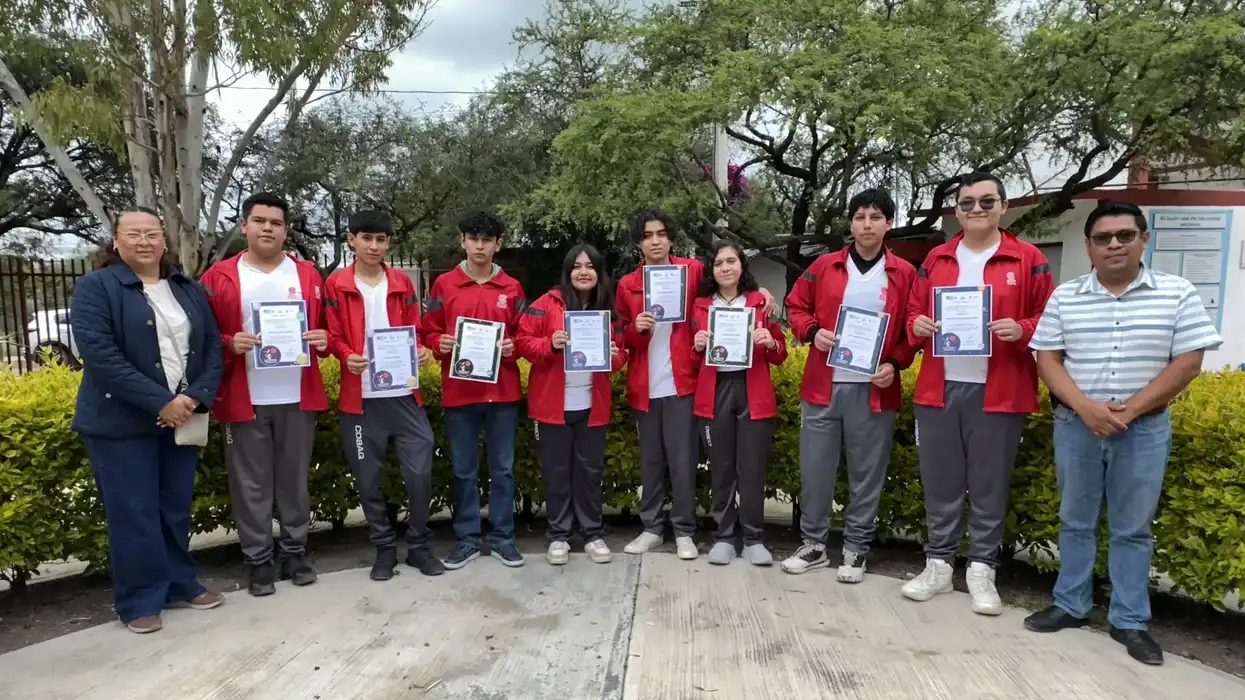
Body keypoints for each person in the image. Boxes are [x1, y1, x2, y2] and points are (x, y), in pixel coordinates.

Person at [1023, 201, 1221, 665]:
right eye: (1103, 237)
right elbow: (1047, 359)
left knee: (1133, 528)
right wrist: (1087, 408)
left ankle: (1129, 620)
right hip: (1077, 426)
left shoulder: (1177, 293)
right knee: (1075, 520)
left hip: (1144, 430)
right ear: (1089, 246)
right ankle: (1070, 605)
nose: (1114, 244)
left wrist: (1128, 412)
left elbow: (1188, 362)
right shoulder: (1066, 296)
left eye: (1125, 235)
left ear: (1143, 239)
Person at [903, 171, 1055, 614]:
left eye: (986, 202)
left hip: (999, 389)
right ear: (956, 210)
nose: (976, 210)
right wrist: (917, 323)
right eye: (967, 203)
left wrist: (1022, 328)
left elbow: (1050, 317)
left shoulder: (1027, 259)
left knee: (989, 485)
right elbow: (914, 309)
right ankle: (938, 565)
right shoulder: (936, 258)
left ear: (1003, 207)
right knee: (941, 482)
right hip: (939, 387)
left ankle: (982, 570)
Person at [69, 207, 224, 633]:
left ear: (164, 241)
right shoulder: (96, 288)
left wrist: (194, 397)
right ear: (115, 243)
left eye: (152, 233)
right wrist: (161, 401)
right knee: (133, 513)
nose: (144, 241)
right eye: (133, 234)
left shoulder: (186, 288)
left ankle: (180, 582)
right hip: (121, 424)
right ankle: (139, 600)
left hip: (183, 417)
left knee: (173, 508)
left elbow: (211, 348)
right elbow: (101, 357)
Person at [615, 210, 777, 559]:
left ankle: (684, 529)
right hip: (645, 384)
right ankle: (652, 528)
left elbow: (728, 282)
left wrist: (761, 291)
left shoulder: (692, 271)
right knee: (651, 462)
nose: (655, 240)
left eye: (661, 233)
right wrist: (635, 328)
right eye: (647, 235)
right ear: (639, 242)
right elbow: (621, 334)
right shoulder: (628, 284)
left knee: (684, 461)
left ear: (671, 237)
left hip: (684, 382)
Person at [780, 188, 918, 582]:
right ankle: (814, 544)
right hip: (824, 385)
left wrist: (895, 362)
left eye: (875, 217)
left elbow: (914, 328)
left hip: (874, 389)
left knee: (867, 473)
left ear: (888, 223)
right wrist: (812, 332)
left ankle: (856, 548)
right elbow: (795, 305)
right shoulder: (824, 266)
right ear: (850, 224)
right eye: (859, 217)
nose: (867, 224)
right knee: (816, 470)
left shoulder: (904, 273)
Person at [201, 192, 330, 596]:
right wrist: (228, 341)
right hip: (245, 396)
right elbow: (202, 336)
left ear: (286, 230)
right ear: (244, 226)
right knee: (250, 484)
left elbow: (326, 330)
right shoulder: (219, 276)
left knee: (294, 480)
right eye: (260, 221)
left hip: (297, 394)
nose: (268, 228)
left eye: (276, 222)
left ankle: (296, 551)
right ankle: (258, 559)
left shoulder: (308, 275)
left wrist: (323, 338)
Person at [324, 211, 444, 581]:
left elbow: (418, 330)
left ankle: (419, 546)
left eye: (381, 239)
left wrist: (422, 349)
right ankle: (384, 549)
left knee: (420, 471)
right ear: (352, 240)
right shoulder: (337, 284)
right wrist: (346, 356)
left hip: (404, 395)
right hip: (359, 399)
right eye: (367, 238)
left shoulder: (402, 283)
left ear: (389, 242)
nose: (374, 246)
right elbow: (330, 335)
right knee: (367, 477)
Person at [422, 209, 527, 569]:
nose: (479, 246)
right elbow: (427, 331)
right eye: (473, 239)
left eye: (487, 240)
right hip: (460, 392)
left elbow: (523, 333)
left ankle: (503, 538)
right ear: (462, 241)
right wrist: (441, 343)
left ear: (498, 245)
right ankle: (466, 538)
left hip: (503, 393)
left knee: (503, 470)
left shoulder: (512, 288)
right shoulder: (444, 286)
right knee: (464, 470)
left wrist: (513, 346)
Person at [516, 244, 628, 566]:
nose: (583, 271)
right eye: (577, 266)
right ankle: (559, 535)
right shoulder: (544, 304)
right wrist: (549, 345)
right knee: (557, 472)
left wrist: (611, 354)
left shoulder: (609, 309)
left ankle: (593, 533)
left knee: (590, 472)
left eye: (590, 266)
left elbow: (622, 355)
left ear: (598, 272)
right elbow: (524, 342)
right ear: (567, 272)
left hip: (593, 406)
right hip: (552, 405)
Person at [689, 241, 788, 566]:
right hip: (715, 389)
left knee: (752, 468)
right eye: (719, 263)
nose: (726, 267)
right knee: (721, 468)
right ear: (712, 270)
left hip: (752, 389)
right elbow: (691, 358)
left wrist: (770, 341)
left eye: (732, 261)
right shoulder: (700, 306)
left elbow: (780, 353)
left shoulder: (760, 303)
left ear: (742, 266)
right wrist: (697, 344)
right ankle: (723, 537)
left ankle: (754, 538)